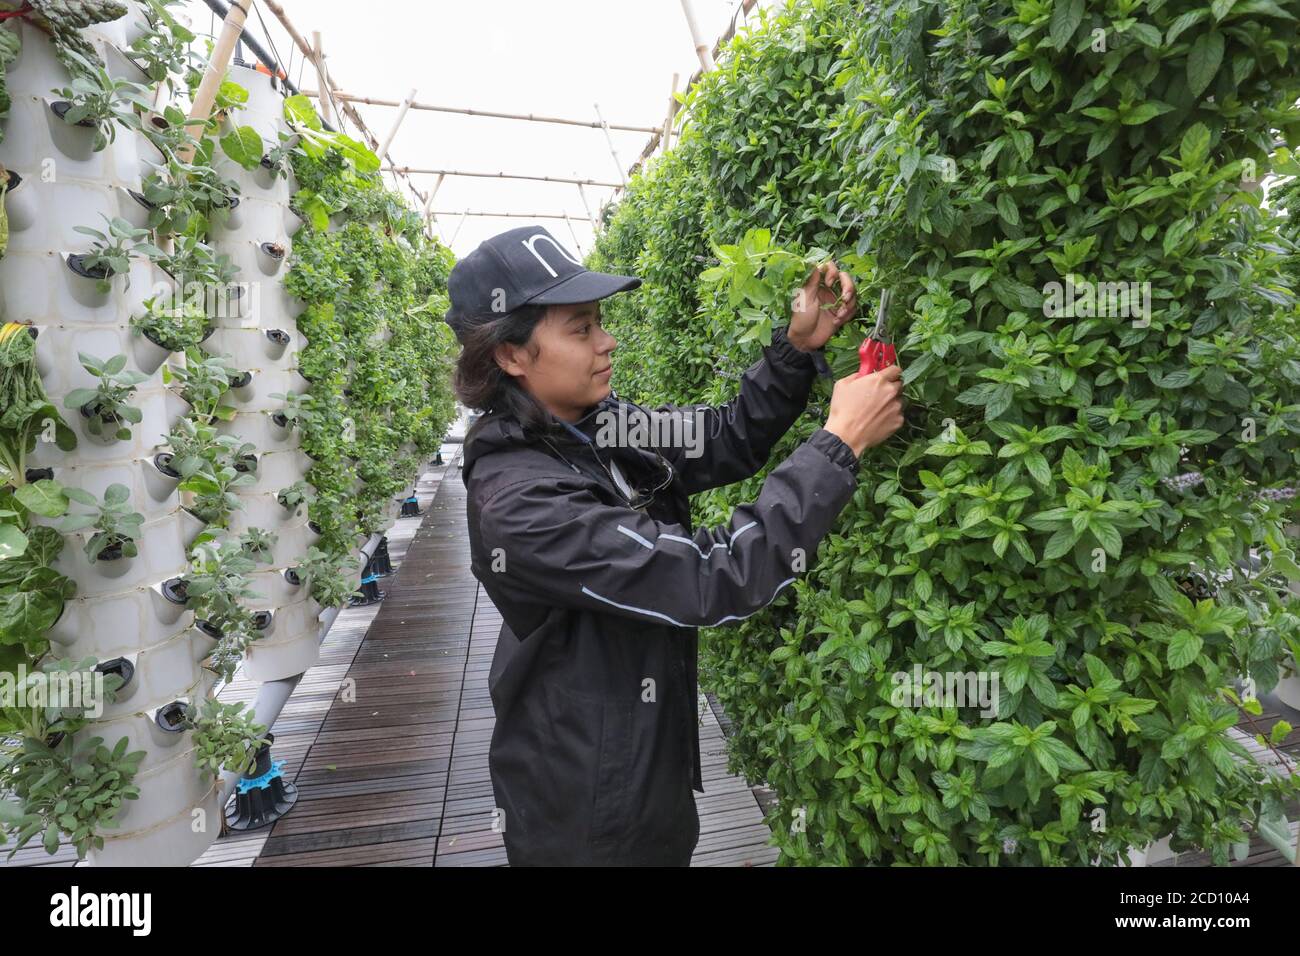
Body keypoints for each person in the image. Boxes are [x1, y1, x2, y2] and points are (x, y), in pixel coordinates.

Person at [447, 225, 904, 866]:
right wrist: (839, 444)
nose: (608, 342)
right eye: (580, 329)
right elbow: (713, 575)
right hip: (589, 815)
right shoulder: (519, 504)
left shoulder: (590, 425)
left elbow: (721, 437)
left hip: (641, 773)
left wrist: (796, 350)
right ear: (510, 356)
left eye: (600, 322)